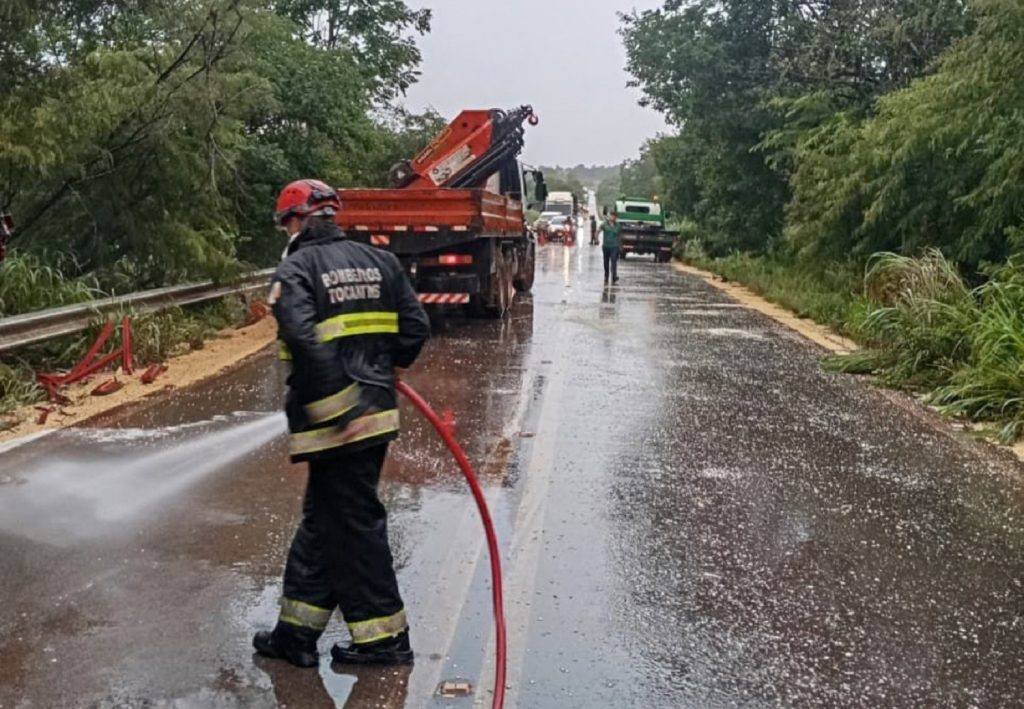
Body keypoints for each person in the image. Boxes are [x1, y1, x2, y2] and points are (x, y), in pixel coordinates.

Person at [254, 179, 431, 668]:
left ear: (296, 220)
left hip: (337, 426)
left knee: (353, 527)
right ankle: (295, 634)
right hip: (374, 415)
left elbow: (302, 337)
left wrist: (340, 406)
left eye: (286, 224)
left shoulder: (296, 269)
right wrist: (384, 370)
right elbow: (416, 327)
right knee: (324, 522)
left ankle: (385, 640)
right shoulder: (381, 261)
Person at [599, 211, 621, 285]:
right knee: (606, 262)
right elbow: (598, 231)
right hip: (606, 246)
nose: (612, 218)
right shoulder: (604, 224)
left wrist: (620, 246)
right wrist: (596, 239)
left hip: (614, 246)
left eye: (614, 216)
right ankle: (606, 276)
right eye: (611, 216)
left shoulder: (618, 226)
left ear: (616, 218)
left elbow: (619, 236)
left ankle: (614, 275)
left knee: (614, 260)